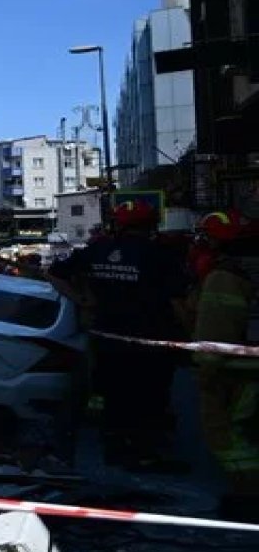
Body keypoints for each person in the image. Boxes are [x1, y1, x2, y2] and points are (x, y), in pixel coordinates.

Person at [46, 201, 193, 472]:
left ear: (118, 223)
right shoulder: (160, 255)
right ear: (151, 224)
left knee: (113, 393)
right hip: (151, 342)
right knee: (150, 396)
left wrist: (82, 300)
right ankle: (143, 452)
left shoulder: (97, 250)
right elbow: (177, 302)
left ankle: (115, 447)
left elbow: (55, 275)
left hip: (106, 339)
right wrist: (191, 338)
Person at [191, 211, 259, 520]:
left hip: (238, 371)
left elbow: (215, 334)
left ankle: (248, 494)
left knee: (229, 433)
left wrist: (207, 370)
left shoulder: (225, 276)